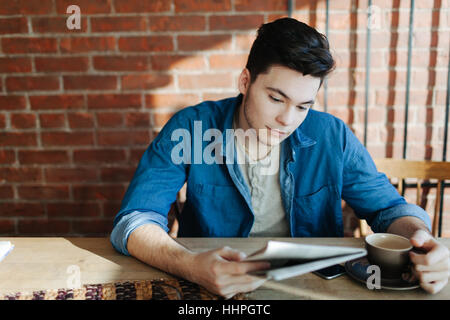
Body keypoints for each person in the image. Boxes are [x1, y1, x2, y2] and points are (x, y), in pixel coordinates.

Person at [110, 18, 449, 298]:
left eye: (304, 106)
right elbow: (134, 221)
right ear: (246, 81)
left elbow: (387, 209)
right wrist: (191, 265)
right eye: (275, 98)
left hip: (314, 288)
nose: (288, 119)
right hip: (213, 288)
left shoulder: (332, 136)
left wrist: (421, 238)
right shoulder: (192, 128)